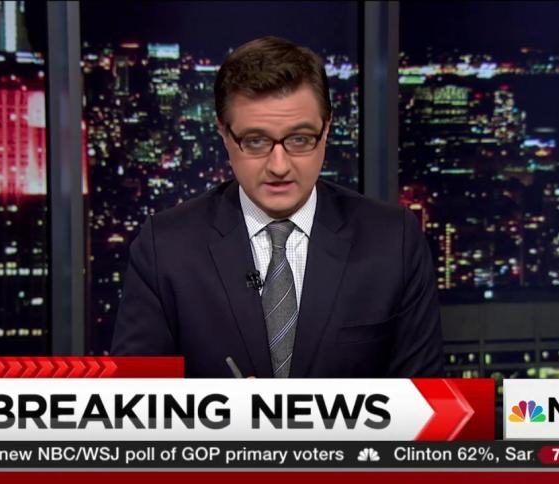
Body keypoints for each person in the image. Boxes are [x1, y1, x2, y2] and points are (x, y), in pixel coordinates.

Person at [112, 36, 443, 378]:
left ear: (326, 129)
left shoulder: (393, 241)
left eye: (300, 139)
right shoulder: (166, 248)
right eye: (256, 141)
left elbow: (427, 399)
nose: (279, 166)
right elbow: (134, 398)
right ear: (224, 134)